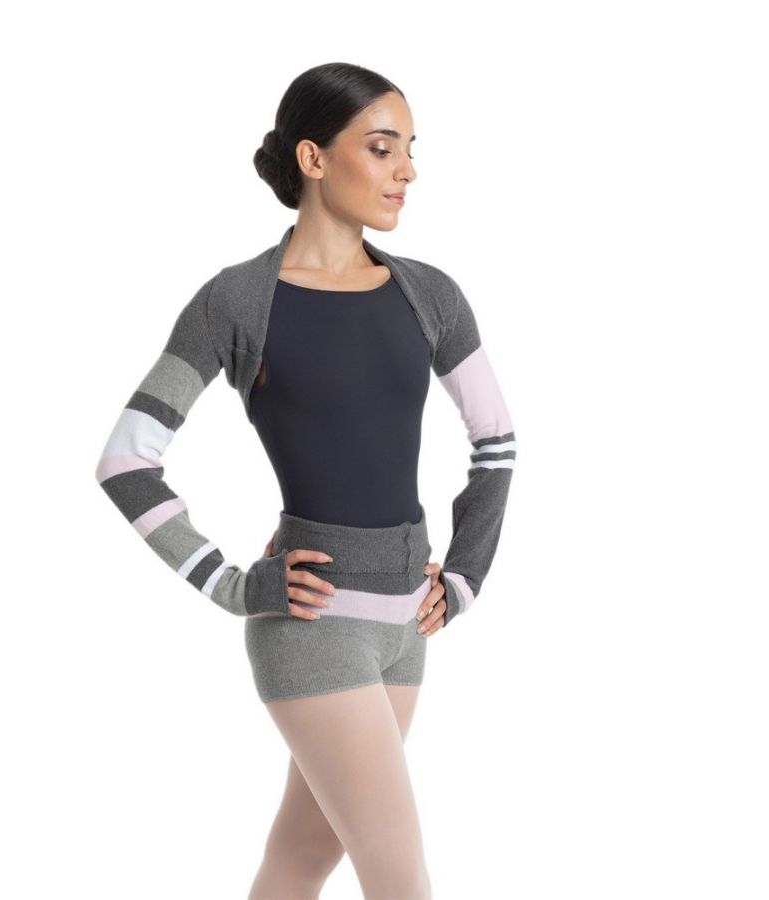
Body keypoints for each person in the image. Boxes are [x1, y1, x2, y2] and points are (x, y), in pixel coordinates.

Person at [95, 62, 517, 900]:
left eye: (411, 150)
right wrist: (230, 583)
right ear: (314, 159)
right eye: (382, 148)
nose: (407, 170)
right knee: (400, 877)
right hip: (310, 624)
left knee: (298, 861)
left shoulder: (430, 295)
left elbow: (496, 441)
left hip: (406, 620)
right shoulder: (237, 303)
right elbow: (127, 458)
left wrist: (466, 574)